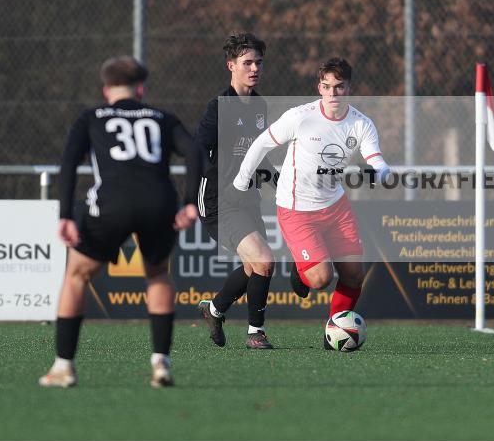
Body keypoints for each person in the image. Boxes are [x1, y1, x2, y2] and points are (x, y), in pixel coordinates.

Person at [39, 56, 200, 388]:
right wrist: (189, 203)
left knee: (76, 276)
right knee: (157, 273)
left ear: (106, 88)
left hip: (110, 204)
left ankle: (63, 366)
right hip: (159, 203)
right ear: (140, 88)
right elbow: (196, 151)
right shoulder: (162, 117)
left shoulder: (91, 117)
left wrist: (65, 215)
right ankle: (161, 363)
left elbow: (68, 164)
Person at [233, 58, 389, 346]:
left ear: (349, 89)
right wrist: (242, 179)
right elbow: (261, 143)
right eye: (327, 87)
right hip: (297, 210)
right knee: (319, 279)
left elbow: (378, 161)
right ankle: (302, 273)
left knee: (354, 275)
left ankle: (335, 335)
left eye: (339, 87)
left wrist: (377, 173)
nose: (333, 94)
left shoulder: (361, 124)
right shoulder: (300, 117)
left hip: (336, 207)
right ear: (320, 87)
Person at [194, 32, 277, 349]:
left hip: (247, 198)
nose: (254, 68)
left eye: (258, 62)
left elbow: (260, 152)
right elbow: (198, 150)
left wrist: (278, 178)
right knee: (265, 261)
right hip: (218, 199)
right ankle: (256, 333)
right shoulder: (219, 107)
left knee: (252, 266)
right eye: (247, 62)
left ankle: (214, 310)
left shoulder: (259, 105)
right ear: (231, 65)